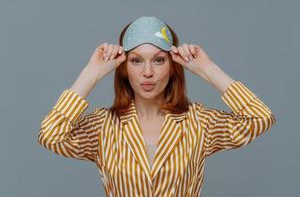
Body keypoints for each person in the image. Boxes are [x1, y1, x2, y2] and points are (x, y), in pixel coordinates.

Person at [37, 16, 277, 197]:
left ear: (172, 66)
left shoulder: (199, 122)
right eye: (136, 61)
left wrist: (206, 68)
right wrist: (91, 73)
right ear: (124, 67)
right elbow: (50, 135)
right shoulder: (102, 126)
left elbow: (259, 117)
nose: (148, 72)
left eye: (159, 60)